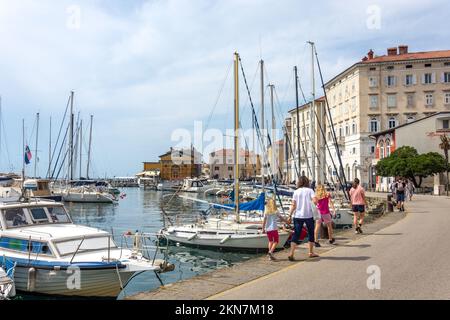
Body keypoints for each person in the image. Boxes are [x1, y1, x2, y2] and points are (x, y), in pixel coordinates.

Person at [287, 176, 319, 261]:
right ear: (307, 182)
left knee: (296, 234)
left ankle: (291, 253)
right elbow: (315, 201)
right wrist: (311, 204)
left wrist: (289, 215)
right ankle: (311, 252)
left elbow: (293, 205)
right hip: (308, 215)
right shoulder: (310, 190)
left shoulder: (296, 192)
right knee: (311, 233)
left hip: (297, 215)